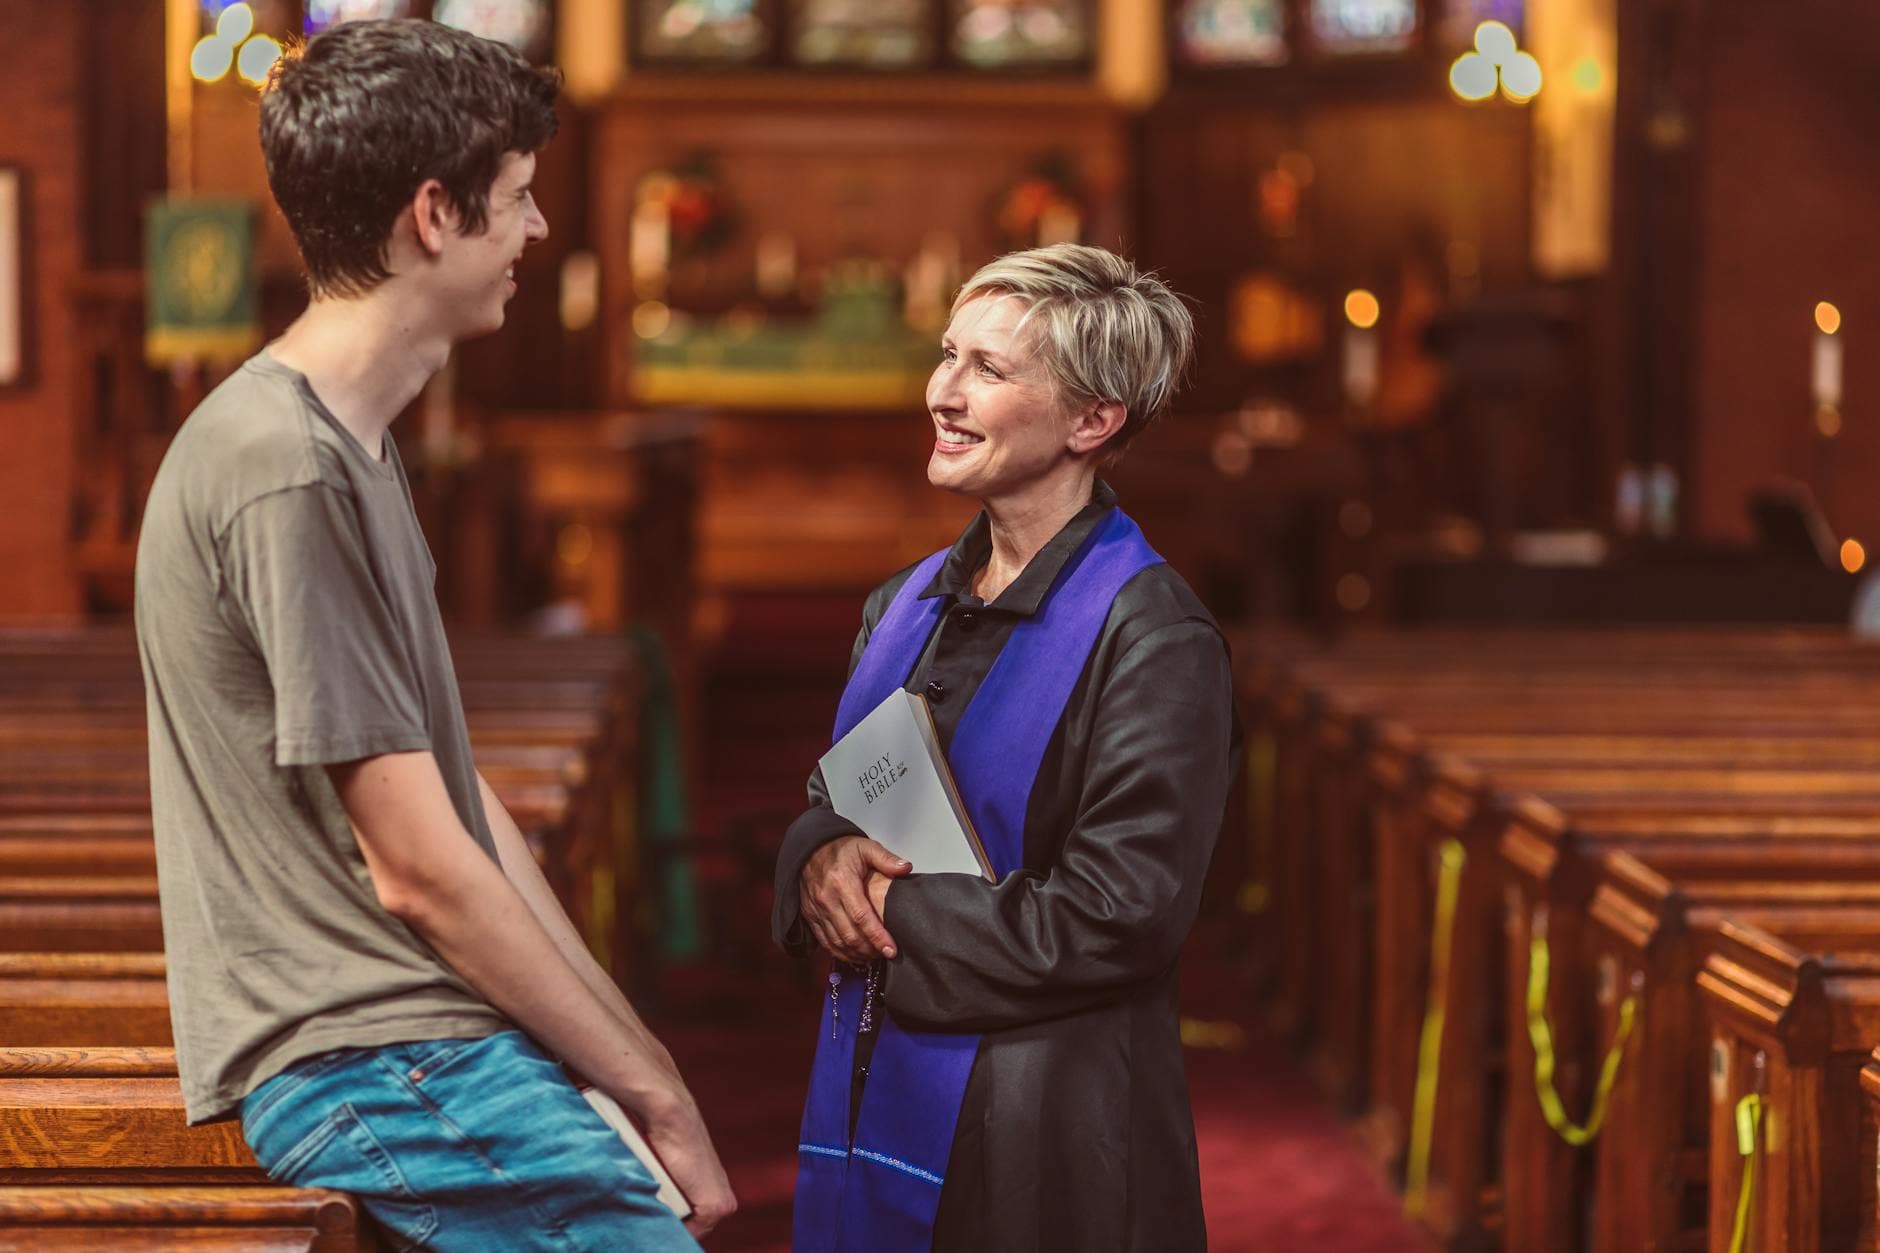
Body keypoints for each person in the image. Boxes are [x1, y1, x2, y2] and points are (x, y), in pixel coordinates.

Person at [133, 19, 733, 1250]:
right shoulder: (283, 466)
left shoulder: (347, 443)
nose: (537, 230)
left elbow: (468, 818)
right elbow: (416, 867)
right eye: (515, 198)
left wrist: (635, 1065)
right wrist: (652, 1087)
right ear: (432, 215)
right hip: (368, 1055)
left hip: (421, 1035)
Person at [773, 244, 1236, 1252]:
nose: (941, 391)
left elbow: (1119, 915)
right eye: (947, 354)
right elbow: (842, 789)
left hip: (1046, 1131)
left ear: (1091, 419)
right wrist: (816, 854)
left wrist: (885, 903)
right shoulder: (902, 604)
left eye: (988, 368)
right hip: (880, 1072)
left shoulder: (1151, 636)